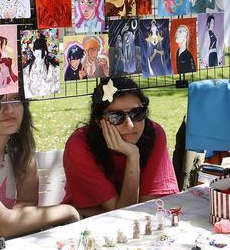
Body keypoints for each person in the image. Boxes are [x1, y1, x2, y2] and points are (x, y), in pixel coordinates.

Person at [61, 77, 179, 217]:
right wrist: (133, 156)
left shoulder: (154, 133)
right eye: (116, 117)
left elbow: (149, 208)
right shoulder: (80, 145)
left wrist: (132, 155)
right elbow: (125, 214)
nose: (130, 125)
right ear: (99, 121)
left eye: (137, 113)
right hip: (84, 224)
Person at [0, 101, 80, 237]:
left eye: (15, 98)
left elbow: (26, 206)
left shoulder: (20, 153)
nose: (8, 109)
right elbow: (5, 226)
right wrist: (68, 211)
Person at [22, 33, 60, 98]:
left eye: (40, 52)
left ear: (45, 52)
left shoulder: (53, 67)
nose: (38, 54)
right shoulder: (28, 68)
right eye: (37, 52)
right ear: (34, 52)